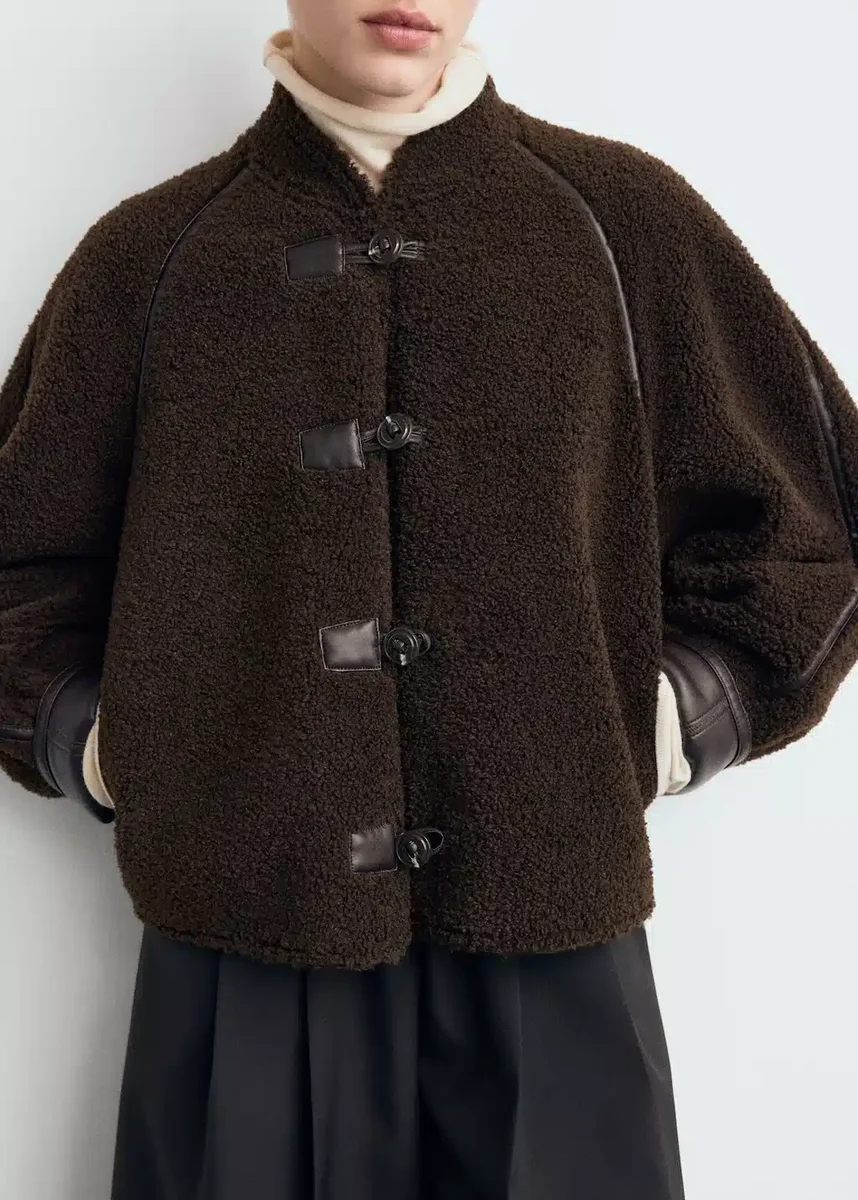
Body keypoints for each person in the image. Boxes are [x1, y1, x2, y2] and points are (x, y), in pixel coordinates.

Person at [2, 2, 857, 1197]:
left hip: (553, 928)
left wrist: (656, 725)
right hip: (240, 937)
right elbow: (17, 569)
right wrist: (111, 750)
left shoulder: (623, 221)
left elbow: (815, 526)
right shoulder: (152, 257)